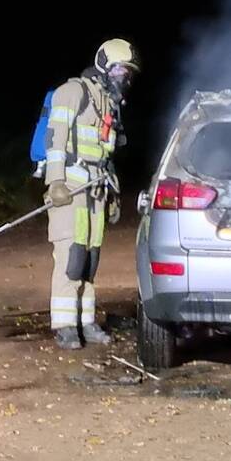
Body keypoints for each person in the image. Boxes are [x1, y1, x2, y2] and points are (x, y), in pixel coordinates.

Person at [44, 38, 139, 349]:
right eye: (120, 69)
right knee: (70, 259)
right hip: (69, 190)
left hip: (96, 191)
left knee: (89, 260)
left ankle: (86, 321)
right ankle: (64, 325)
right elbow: (55, 139)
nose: (124, 77)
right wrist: (56, 181)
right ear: (103, 66)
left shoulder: (108, 103)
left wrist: (113, 195)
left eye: (128, 72)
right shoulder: (73, 92)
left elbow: (106, 156)